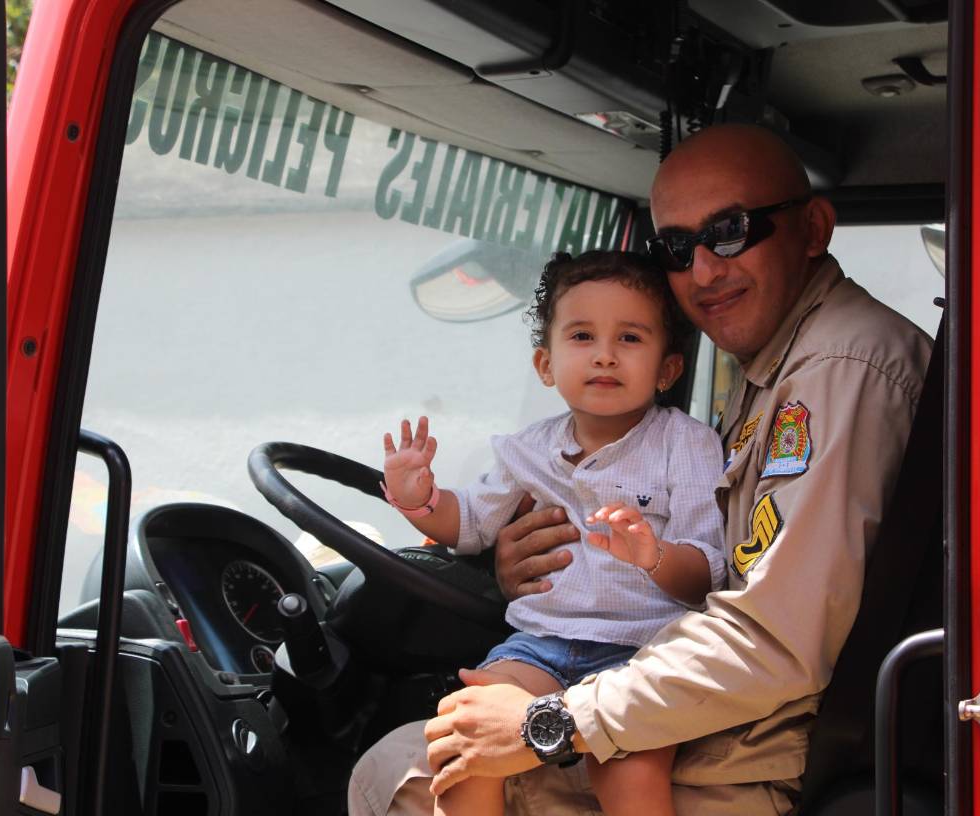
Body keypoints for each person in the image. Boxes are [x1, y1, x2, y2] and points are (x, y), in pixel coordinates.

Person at [348, 123, 933, 816]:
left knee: (401, 770)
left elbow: (776, 636)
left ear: (812, 228)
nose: (704, 271)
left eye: (731, 231)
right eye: (677, 249)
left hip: (745, 757)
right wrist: (525, 563)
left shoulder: (837, 370)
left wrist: (554, 724)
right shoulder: (776, 361)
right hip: (719, 715)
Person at [377, 250, 726, 816]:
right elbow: (469, 524)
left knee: (632, 769)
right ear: (546, 364)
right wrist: (420, 500)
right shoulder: (527, 449)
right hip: (541, 646)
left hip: (642, 653)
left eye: (631, 339)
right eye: (583, 336)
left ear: (667, 369)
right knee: (461, 730)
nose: (605, 355)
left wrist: (653, 555)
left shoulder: (685, 446)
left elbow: (707, 572)